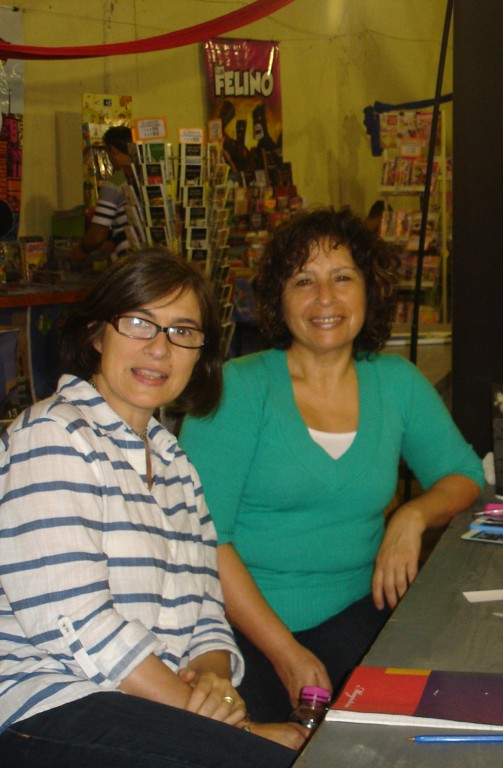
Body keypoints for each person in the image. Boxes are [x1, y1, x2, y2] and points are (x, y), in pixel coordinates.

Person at [0, 250, 304, 767]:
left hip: (143, 705)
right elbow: (77, 624)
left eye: (182, 331)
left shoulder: (173, 463)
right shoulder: (53, 435)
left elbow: (206, 606)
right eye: (140, 323)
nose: (160, 349)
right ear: (97, 334)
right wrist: (234, 727)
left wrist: (213, 676)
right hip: (45, 705)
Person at [179, 207, 484, 721]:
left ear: (370, 290)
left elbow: (464, 475)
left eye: (343, 277)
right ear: (279, 297)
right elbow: (205, 540)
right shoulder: (236, 388)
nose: (325, 298)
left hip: (360, 612)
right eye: (304, 280)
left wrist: (411, 517)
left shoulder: (396, 382)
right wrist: (286, 653)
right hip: (242, 629)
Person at [81, 125, 135, 261]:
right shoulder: (149, 176)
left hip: (130, 262)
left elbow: (97, 236)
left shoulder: (114, 182)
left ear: (113, 151)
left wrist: (81, 250)